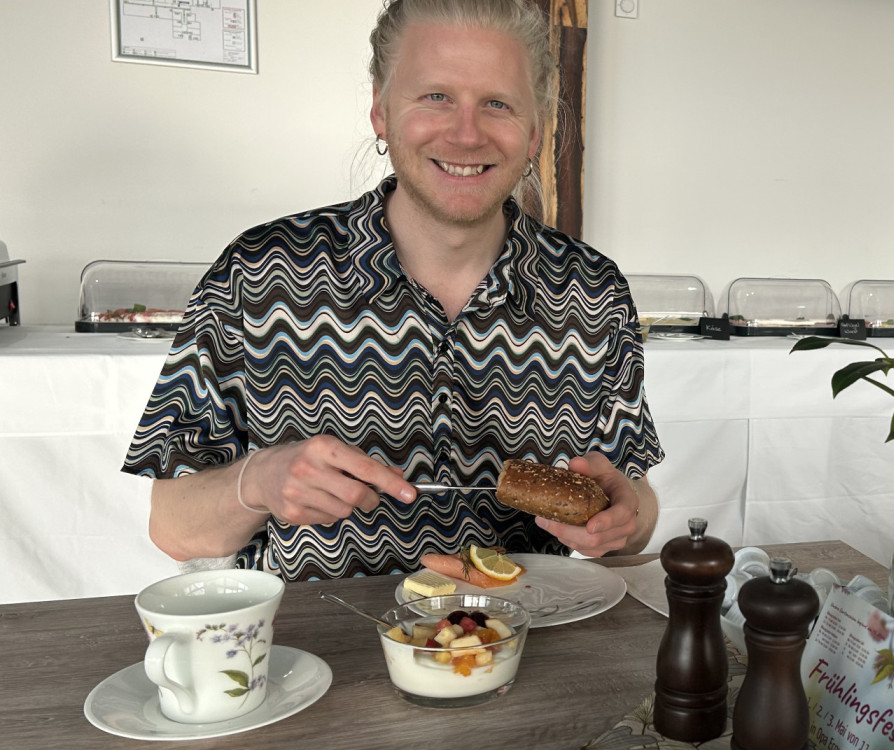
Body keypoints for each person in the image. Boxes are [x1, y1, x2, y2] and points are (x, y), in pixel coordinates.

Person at [122, 0, 663, 581]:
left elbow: (634, 509)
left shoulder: (592, 291)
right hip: (321, 656)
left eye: (497, 104)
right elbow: (172, 529)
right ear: (380, 111)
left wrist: (625, 518)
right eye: (435, 97)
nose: (466, 133)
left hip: (523, 639)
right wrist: (258, 480)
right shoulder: (258, 274)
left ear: (534, 133)